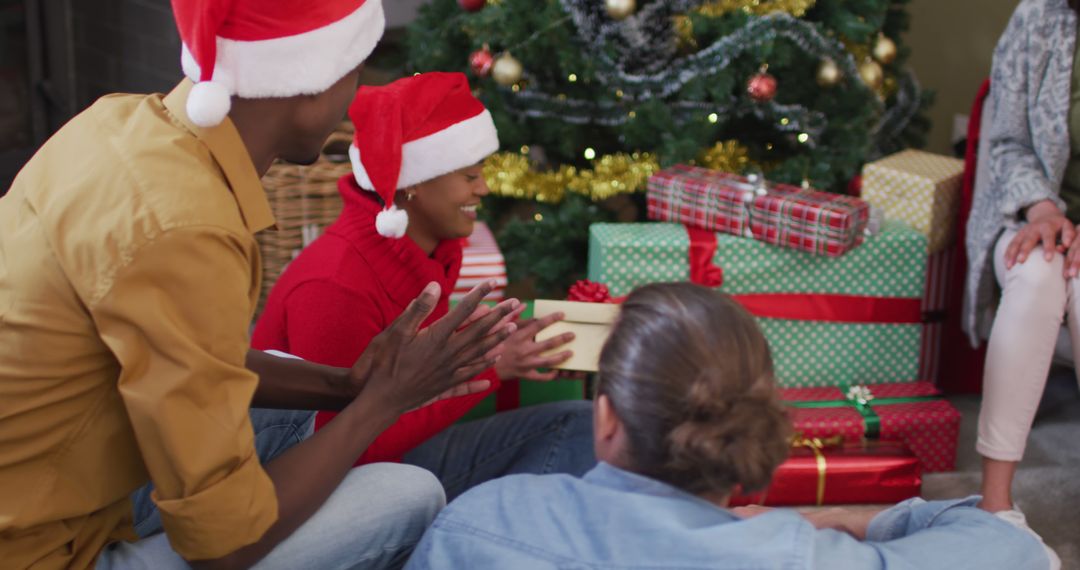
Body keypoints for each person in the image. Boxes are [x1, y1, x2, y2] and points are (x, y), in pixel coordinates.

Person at [0, 1, 520, 568]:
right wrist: (382, 402)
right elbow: (225, 547)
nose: (353, 98)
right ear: (307, 82)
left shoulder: (118, 121)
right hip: (37, 549)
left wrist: (347, 385)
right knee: (406, 493)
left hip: (49, 477)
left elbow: (198, 358)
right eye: (354, 70)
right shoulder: (188, 226)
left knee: (288, 401)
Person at [406, 283, 1054, 569]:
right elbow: (1015, 549)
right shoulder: (791, 557)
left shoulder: (481, 515)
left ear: (605, 420)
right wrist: (844, 521)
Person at [252, 72, 595, 500]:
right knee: (573, 437)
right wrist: (491, 367)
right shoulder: (336, 284)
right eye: (470, 175)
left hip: (400, 451)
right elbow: (338, 449)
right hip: (338, 485)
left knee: (580, 423)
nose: (484, 188)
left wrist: (496, 354)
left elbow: (417, 391)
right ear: (412, 181)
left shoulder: (429, 248)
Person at [965, 0, 1075, 561]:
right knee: (1033, 283)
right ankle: (996, 504)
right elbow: (1006, 141)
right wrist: (1043, 208)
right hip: (1037, 214)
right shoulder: (1039, 18)